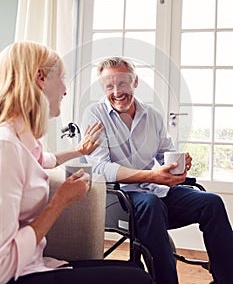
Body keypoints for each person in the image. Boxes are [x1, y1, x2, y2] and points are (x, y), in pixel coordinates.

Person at [0, 42, 155, 284]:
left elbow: (45, 160)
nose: (65, 90)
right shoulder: (6, 147)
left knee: (137, 274)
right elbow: (2, 267)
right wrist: (60, 201)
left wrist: (78, 151)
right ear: (41, 77)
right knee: (139, 280)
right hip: (15, 275)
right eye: (62, 78)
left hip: (34, 263)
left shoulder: (25, 139)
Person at [82, 56, 233, 284]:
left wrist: (178, 165)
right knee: (151, 205)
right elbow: (101, 168)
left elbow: (165, 153)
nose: (117, 92)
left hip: (155, 193)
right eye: (109, 86)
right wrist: (152, 175)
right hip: (119, 200)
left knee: (211, 202)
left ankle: (226, 279)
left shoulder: (151, 115)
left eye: (122, 83)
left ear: (135, 82)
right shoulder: (95, 115)